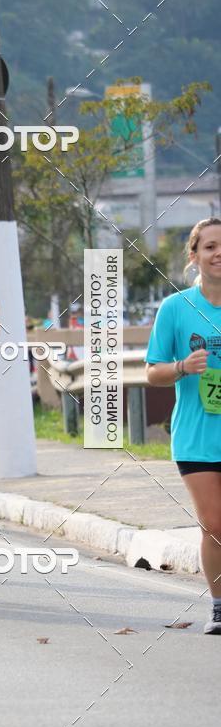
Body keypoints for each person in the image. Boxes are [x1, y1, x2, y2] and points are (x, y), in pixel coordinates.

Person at [146, 217, 221, 635]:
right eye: (209, 246)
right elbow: (153, 372)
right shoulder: (176, 308)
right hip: (197, 435)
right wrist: (181, 366)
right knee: (214, 524)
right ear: (194, 256)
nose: (218, 253)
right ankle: (220, 605)